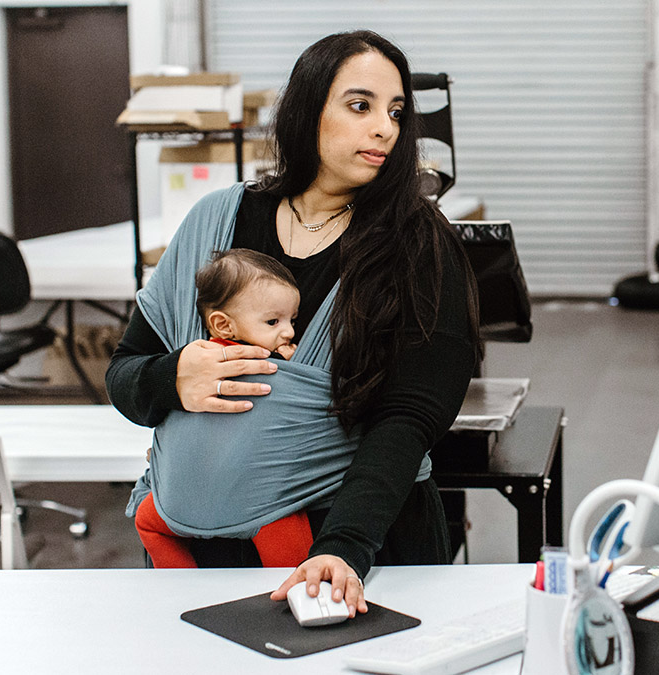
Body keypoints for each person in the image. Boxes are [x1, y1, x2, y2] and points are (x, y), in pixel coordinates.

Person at [106, 30, 481, 618]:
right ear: (308, 110)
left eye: (396, 111)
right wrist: (172, 376)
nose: (385, 127)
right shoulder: (215, 220)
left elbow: (410, 419)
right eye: (360, 106)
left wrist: (344, 549)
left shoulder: (419, 245)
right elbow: (125, 375)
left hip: (346, 558)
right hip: (194, 559)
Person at [133, 249, 314, 568]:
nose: (288, 331)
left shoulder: (191, 363)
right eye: (273, 321)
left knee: (148, 522)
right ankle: (295, 603)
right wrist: (295, 367)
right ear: (223, 325)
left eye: (291, 320)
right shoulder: (270, 364)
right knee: (296, 570)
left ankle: (184, 586)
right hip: (261, 503)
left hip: (185, 496)